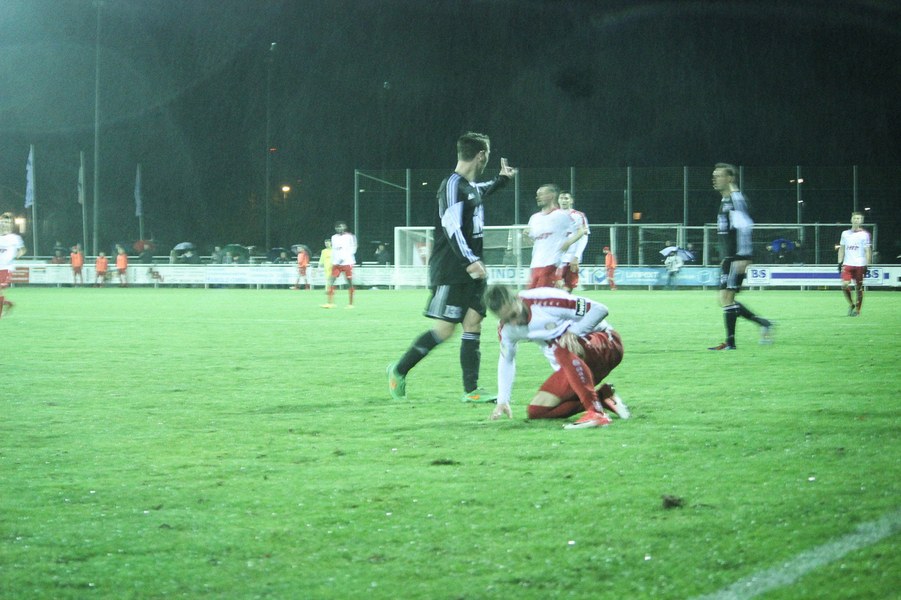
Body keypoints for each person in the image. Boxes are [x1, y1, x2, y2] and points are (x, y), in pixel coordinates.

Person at [387, 131, 515, 403]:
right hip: (452, 269)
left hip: (473, 270)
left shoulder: (469, 187)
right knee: (445, 330)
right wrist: (470, 261)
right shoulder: (452, 184)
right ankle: (399, 369)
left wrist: (502, 180)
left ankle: (472, 390)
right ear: (481, 155)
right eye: (487, 154)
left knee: (473, 323)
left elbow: (482, 191)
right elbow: (450, 225)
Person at [484, 285, 629, 428]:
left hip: (606, 345)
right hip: (575, 368)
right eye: (506, 319)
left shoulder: (545, 299)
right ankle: (603, 398)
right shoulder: (507, 329)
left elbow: (599, 309)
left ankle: (596, 412)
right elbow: (507, 360)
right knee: (537, 411)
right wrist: (503, 400)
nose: (514, 323)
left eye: (513, 315)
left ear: (517, 299)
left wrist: (574, 332)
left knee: (562, 346)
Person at [708, 162, 773, 350]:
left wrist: (743, 256)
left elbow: (744, 228)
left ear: (730, 178)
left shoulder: (736, 199)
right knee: (725, 299)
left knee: (726, 298)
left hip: (737, 256)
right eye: (714, 176)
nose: (715, 179)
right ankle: (763, 324)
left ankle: (731, 343)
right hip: (729, 257)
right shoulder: (726, 199)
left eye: (719, 175)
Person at [523, 184, 579, 289]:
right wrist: (526, 237)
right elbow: (532, 242)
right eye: (537, 195)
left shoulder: (561, 216)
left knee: (541, 295)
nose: (537, 197)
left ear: (551, 196)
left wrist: (572, 253)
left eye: (541, 194)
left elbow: (579, 232)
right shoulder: (534, 218)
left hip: (552, 264)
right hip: (535, 264)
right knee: (530, 297)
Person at [837, 211, 872, 316]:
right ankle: (851, 304)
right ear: (851, 220)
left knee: (859, 288)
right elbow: (842, 248)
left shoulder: (865, 235)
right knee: (844, 285)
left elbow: (867, 250)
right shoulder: (845, 233)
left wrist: (867, 264)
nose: (856, 220)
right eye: (855, 218)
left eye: (859, 219)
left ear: (861, 221)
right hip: (847, 264)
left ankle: (858, 310)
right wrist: (839, 262)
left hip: (860, 264)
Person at [558, 191, 589, 292]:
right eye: (561, 198)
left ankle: (565, 301)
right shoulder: (553, 215)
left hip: (571, 258)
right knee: (555, 285)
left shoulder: (578, 215)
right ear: (558, 200)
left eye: (566, 198)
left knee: (568, 287)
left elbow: (584, 237)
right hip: (556, 258)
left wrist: (576, 257)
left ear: (571, 200)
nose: (564, 200)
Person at [322, 221, 357, 308]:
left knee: (349, 282)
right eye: (337, 227)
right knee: (331, 281)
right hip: (336, 263)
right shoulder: (333, 237)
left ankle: (350, 304)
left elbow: (353, 248)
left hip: (347, 262)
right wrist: (333, 260)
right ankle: (330, 303)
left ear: (344, 227)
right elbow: (334, 250)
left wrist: (345, 257)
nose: (339, 228)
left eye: (341, 226)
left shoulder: (350, 236)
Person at [0, 212, 26, 319]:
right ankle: (8, 304)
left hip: (6, 268)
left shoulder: (15, 238)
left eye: (8, 222)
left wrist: (18, 255)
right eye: (3, 222)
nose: (5, 224)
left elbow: (23, 250)